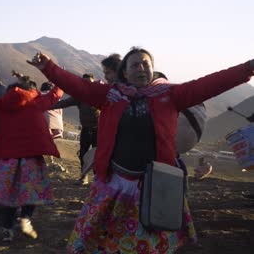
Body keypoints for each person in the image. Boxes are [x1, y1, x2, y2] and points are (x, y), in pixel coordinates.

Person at [27, 48, 254, 253]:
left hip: (155, 184)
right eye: (135, 64)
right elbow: (77, 85)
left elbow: (211, 83)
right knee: (101, 237)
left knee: (148, 240)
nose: (141, 68)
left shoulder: (171, 95)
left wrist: (247, 69)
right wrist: (48, 67)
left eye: (146, 64)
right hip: (115, 181)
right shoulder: (109, 95)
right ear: (124, 71)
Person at [0, 78, 63, 242]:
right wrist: (59, 81)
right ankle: (25, 219)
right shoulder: (34, 102)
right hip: (31, 158)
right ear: (28, 91)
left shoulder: (2, 107)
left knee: (8, 196)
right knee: (30, 192)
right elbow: (54, 95)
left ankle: (7, 230)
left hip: (6, 159)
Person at [51, 73, 99, 185]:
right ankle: (84, 177)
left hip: (99, 130)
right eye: (85, 82)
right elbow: (63, 103)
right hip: (86, 129)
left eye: (89, 82)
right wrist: (46, 105)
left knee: (98, 155)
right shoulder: (79, 96)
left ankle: (98, 179)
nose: (87, 85)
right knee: (83, 153)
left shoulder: (98, 95)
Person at [40, 81, 67, 172]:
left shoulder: (40, 96)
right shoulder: (57, 98)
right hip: (57, 126)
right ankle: (50, 162)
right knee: (48, 142)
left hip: (45, 125)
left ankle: (46, 163)